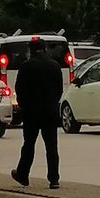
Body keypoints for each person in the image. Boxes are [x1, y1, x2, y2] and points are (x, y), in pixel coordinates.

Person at [11, 38, 63, 189]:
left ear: (31, 50)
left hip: (31, 113)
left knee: (28, 145)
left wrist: (24, 107)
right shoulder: (54, 66)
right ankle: (54, 179)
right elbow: (59, 90)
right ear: (44, 49)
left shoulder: (26, 66)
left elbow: (19, 90)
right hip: (50, 112)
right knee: (52, 147)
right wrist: (52, 104)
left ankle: (23, 174)